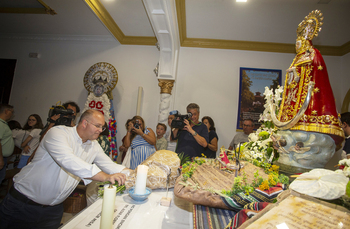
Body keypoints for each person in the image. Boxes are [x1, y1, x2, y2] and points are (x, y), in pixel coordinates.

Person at [0, 109, 128, 228]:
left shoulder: (93, 145)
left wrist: (134, 173)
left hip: (53, 210)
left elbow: (110, 165)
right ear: (84, 123)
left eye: (102, 127)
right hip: (23, 204)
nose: (101, 130)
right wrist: (105, 176)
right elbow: (68, 160)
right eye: (98, 126)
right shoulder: (58, 133)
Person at [0, 104, 15, 185]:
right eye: (11, 112)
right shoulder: (0, 124)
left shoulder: (4, 124)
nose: (12, 114)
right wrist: (0, 159)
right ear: (6, 111)